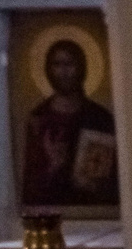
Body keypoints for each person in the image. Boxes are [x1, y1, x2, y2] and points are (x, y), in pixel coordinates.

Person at [21, 37, 119, 207]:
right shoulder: (38, 118)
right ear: (48, 69)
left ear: (81, 68)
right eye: (57, 65)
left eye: (69, 64)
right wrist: (53, 166)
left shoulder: (100, 117)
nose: (63, 72)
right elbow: (31, 182)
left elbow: (109, 179)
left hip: (90, 207)